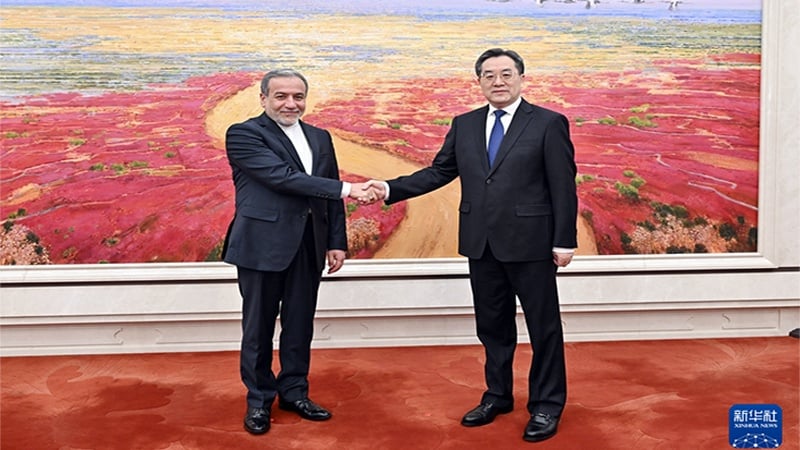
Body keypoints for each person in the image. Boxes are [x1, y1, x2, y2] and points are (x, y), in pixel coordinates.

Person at [365, 48, 578, 443]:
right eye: (489, 75)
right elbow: (440, 171)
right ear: (478, 81)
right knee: (492, 328)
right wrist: (391, 188)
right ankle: (497, 396)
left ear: (521, 78)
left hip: (532, 244)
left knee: (544, 328)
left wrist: (564, 240)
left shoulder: (548, 123)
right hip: (481, 244)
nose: (498, 81)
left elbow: (563, 186)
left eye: (506, 74)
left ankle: (547, 405)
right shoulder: (464, 124)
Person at [222, 69, 376, 435]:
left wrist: (336, 241)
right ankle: (259, 401)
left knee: (300, 324)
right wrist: (350, 189)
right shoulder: (243, 134)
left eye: (298, 96)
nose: (291, 103)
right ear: (263, 99)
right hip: (261, 245)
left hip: (309, 245)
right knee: (258, 328)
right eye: (281, 96)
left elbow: (327, 194)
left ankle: (294, 393)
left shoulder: (320, 137)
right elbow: (281, 178)